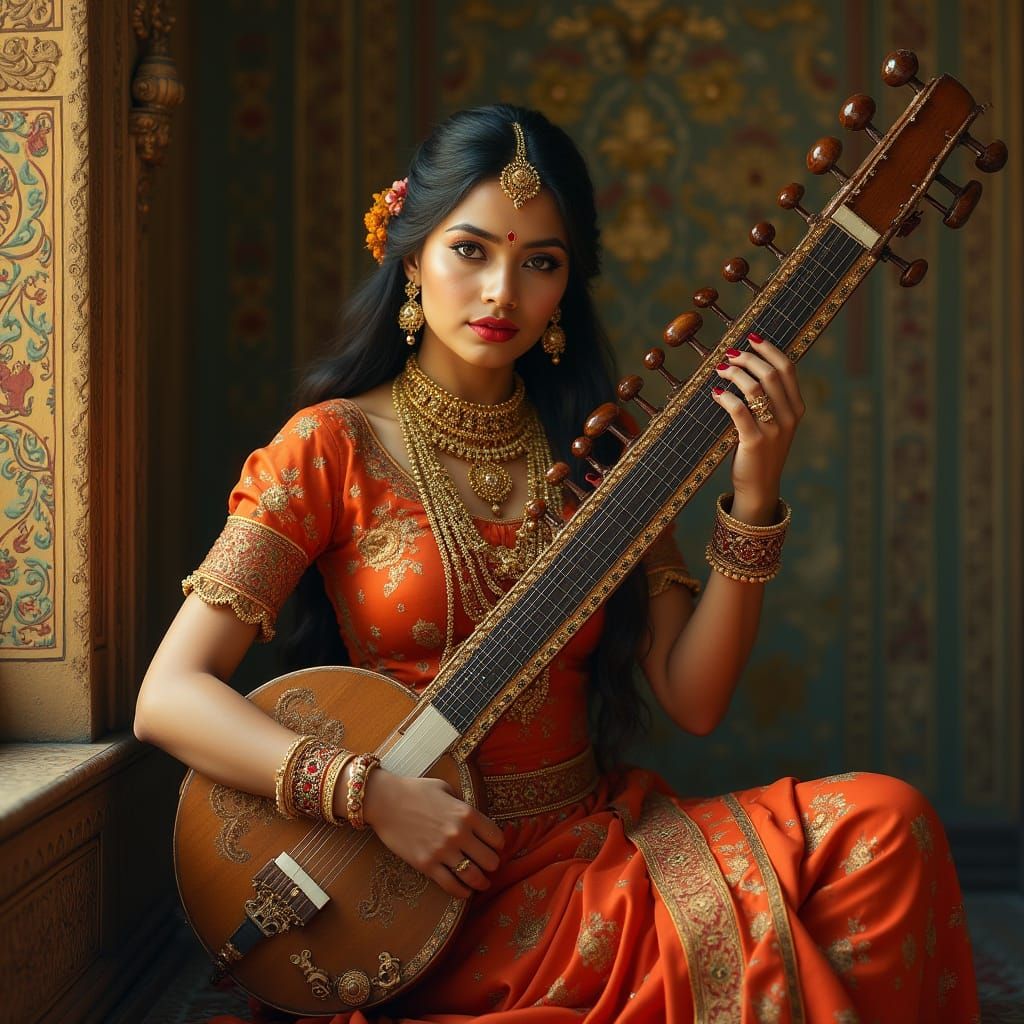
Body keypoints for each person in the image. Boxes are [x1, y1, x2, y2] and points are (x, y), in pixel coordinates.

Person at [134, 105, 979, 1023]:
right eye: (470, 251)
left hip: (589, 849)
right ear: (411, 259)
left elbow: (693, 699)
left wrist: (753, 493)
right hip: (411, 883)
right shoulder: (327, 448)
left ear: (565, 289)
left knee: (887, 824)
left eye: (540, 262)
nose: (502, 291)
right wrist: (371, 796)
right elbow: (167, 697)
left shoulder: (603, 462)